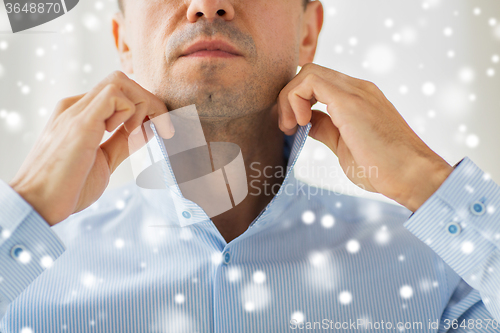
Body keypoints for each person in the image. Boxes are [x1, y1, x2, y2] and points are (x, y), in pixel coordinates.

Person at [1, 0, 499, 331]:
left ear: (309, 30)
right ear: (123, 41)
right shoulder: (23, 283)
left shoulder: (437, 272)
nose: (208, 4)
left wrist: (430, 182)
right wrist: (24, 209)